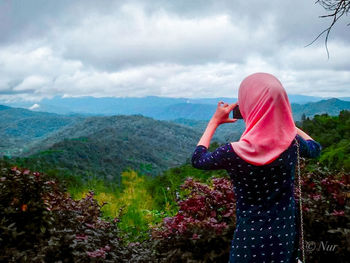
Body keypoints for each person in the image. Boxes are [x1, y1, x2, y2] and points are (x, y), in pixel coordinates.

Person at [191, 72, 322, 263]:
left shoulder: (232, 152)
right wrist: (284, 121)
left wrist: (215, 121)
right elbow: (315, 149)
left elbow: (198, 159)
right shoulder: (292, 143)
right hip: (284, 236)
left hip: (248, 241)